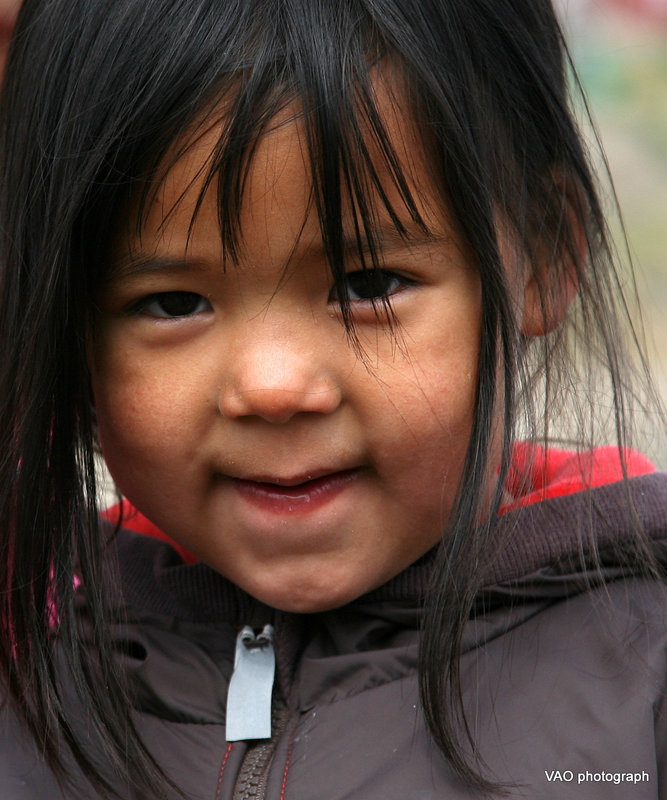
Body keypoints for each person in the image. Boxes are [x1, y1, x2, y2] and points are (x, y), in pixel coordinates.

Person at [0, 0, 664, 798]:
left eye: (368, 284)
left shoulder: (642, 681)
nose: (273, 389)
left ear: (546, 252)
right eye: (171, 302)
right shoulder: (32, 664)